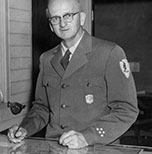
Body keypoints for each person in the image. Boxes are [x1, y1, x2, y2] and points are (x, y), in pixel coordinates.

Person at [8, 0, 139, 149]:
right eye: (55, 18)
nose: (62, 24)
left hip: (98, 148)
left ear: (82, 18)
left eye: (68, 15)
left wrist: (87, 137)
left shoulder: (110, 53)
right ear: (51, 26)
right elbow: (42, 107)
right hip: (54, 148)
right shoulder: (46, 59)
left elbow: (126, 110)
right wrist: (25, 128)